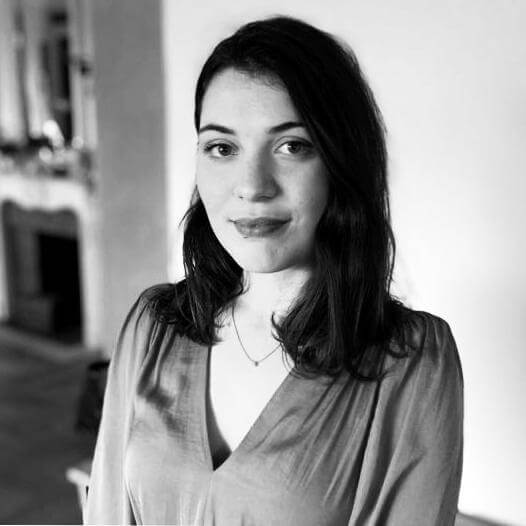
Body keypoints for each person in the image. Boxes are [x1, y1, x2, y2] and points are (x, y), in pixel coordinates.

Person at [84, 15, 463, 526]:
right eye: (222, 148)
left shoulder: (412, 362)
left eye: (292, 146)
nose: (252, 186)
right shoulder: (153, 327)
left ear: (340, 163)